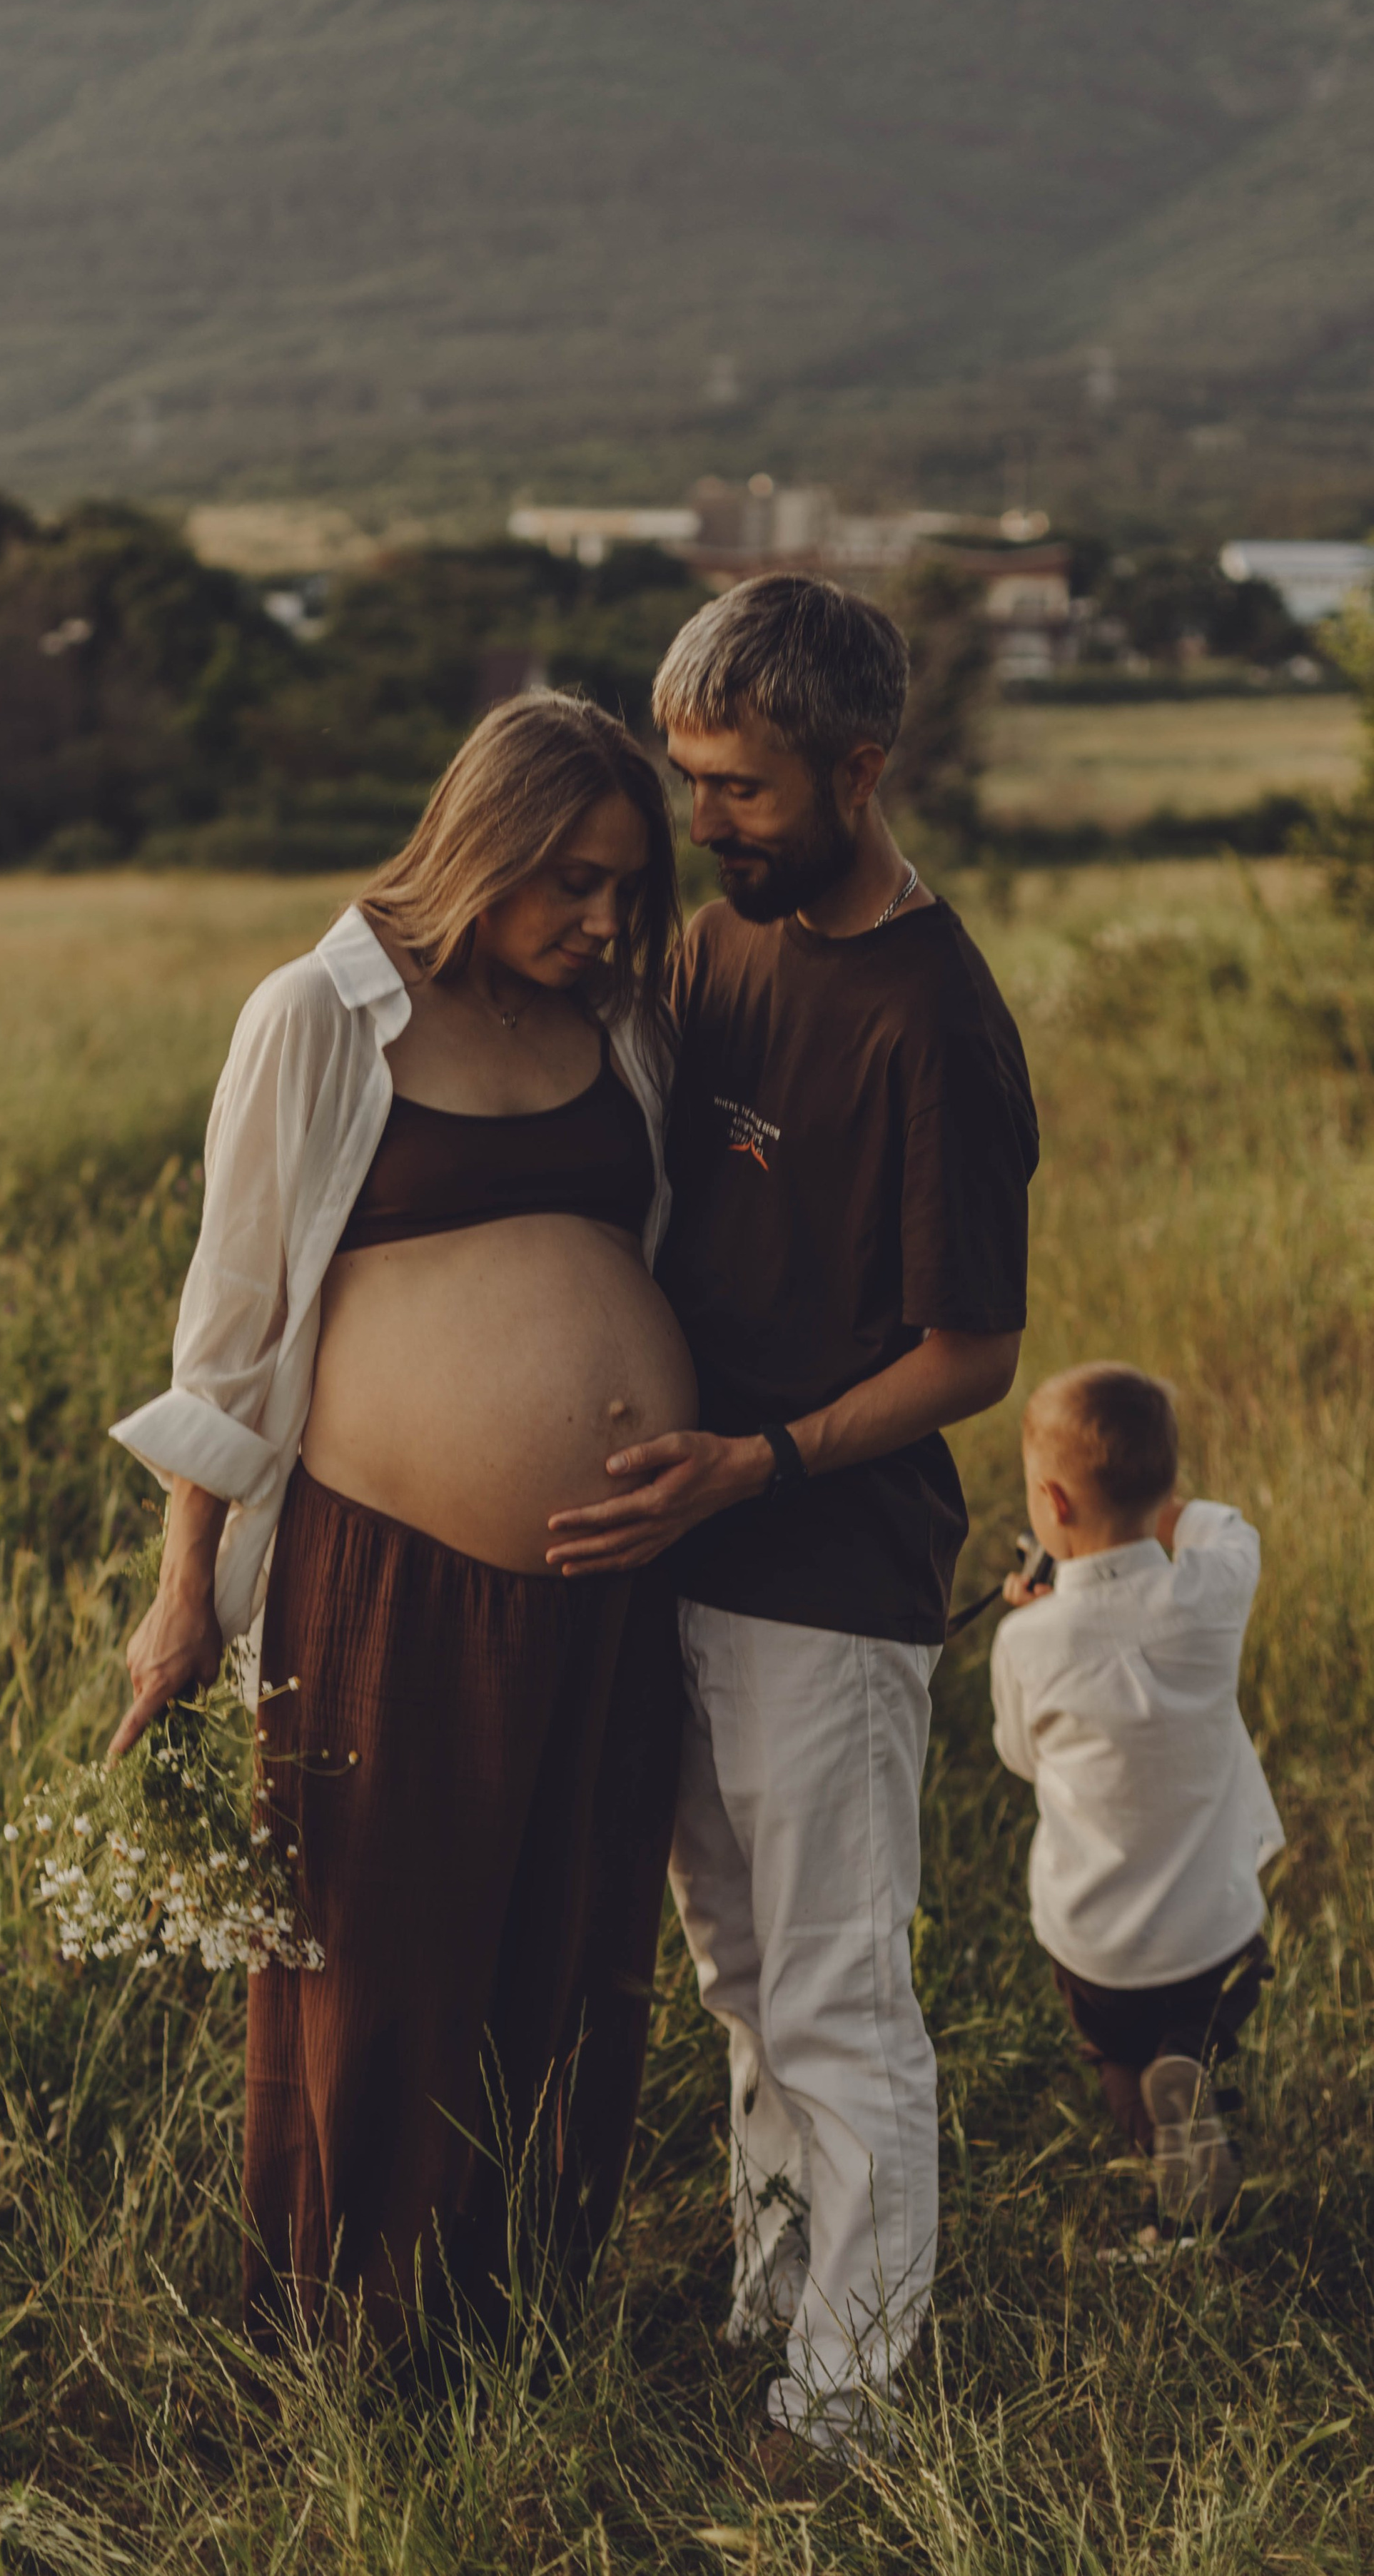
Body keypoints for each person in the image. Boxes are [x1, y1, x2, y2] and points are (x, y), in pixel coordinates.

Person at [107, 691, 696, 2351]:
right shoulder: (320, 1012)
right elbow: (225, 1327)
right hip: (385, 1576)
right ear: (481, 848)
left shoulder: (624, 1025)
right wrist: (183, 1591)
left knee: (571, 1949)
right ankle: (346, 2336)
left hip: (609, 1591)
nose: (598, 921)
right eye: (567, 882)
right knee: (375, 1956)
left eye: (622, 889)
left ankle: (520, 2308)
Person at [547, 574, 1038, 2460]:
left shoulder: (938, 1022)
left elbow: (971, 1351)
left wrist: (755, 1466)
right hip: (696, 1550)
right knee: (742, 1981)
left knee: (838, 1999)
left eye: (742, 789)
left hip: (827, 1575)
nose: (706, 825)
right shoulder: (724, 944)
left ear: (859, 765)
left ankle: (852, 2402)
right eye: (689, 781)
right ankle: (779, 2301)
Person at [991, 1364, 1283, 2239]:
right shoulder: (1211, 1590)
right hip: (1209, 1927)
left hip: (1095, 1941)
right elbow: (1228, 1531)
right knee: (1208, 2004)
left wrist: (1038, 1613)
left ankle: (1157, 2138)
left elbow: (1020, 1756)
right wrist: (1162, 1511)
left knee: (1113, 2049)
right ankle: (1187, 2066)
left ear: (1052, 1502)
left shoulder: (1027, 1642)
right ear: (1162, 1492)